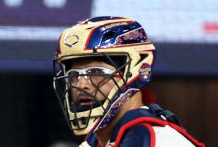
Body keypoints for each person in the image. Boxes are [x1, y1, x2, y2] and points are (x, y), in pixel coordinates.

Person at [52, 16, 205, 147]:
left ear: (134, 70)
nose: (81, 84)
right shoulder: (95, 142)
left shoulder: (161, 140)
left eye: (97, 73)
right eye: (74, 75)